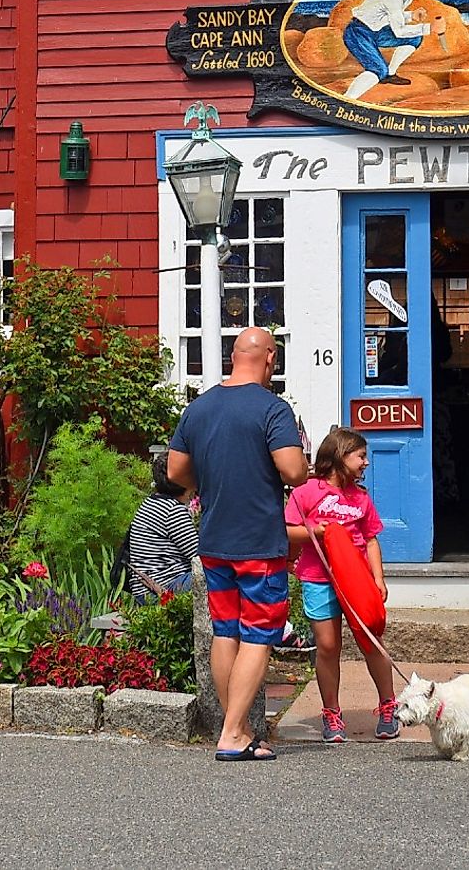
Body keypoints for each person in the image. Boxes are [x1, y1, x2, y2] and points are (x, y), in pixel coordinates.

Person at [164, 325, 309, 762]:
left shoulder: (199, 408)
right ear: (268, 359)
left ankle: (238, 728)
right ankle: (231, 735)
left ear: (233, 358)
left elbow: (175, 471)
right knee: (259, 635)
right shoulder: (272, 408)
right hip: (259, 541)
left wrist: (210, 482)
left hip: (213, 541)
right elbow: (294, 471)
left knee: (226, 631)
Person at [285, 426, 398, 744]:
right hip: (318, 579)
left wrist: (378, 578)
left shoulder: (360, 498)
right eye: (360, 456)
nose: (366, 462)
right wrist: (316, 532)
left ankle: (388, 706)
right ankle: (331, 713)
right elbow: (288, 529)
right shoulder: (306, 492)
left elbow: (372, 540)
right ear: (339, 455)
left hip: (357, 580)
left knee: (371, 640)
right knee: (328, 646)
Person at [340, 0, 446, 100]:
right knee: (378, 70)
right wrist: (429, 27)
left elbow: (387, 14)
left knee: (414, 38)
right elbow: (399, 31)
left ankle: (390, 74)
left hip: (376, 31)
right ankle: (347, 100)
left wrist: (410, 16)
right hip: (358, 33)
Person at [126, 460, 200, 598]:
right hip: (162, 589)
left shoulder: (152, 502)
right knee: (220, 576)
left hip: (145, 590)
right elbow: (199, 555)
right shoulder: (172, 510)